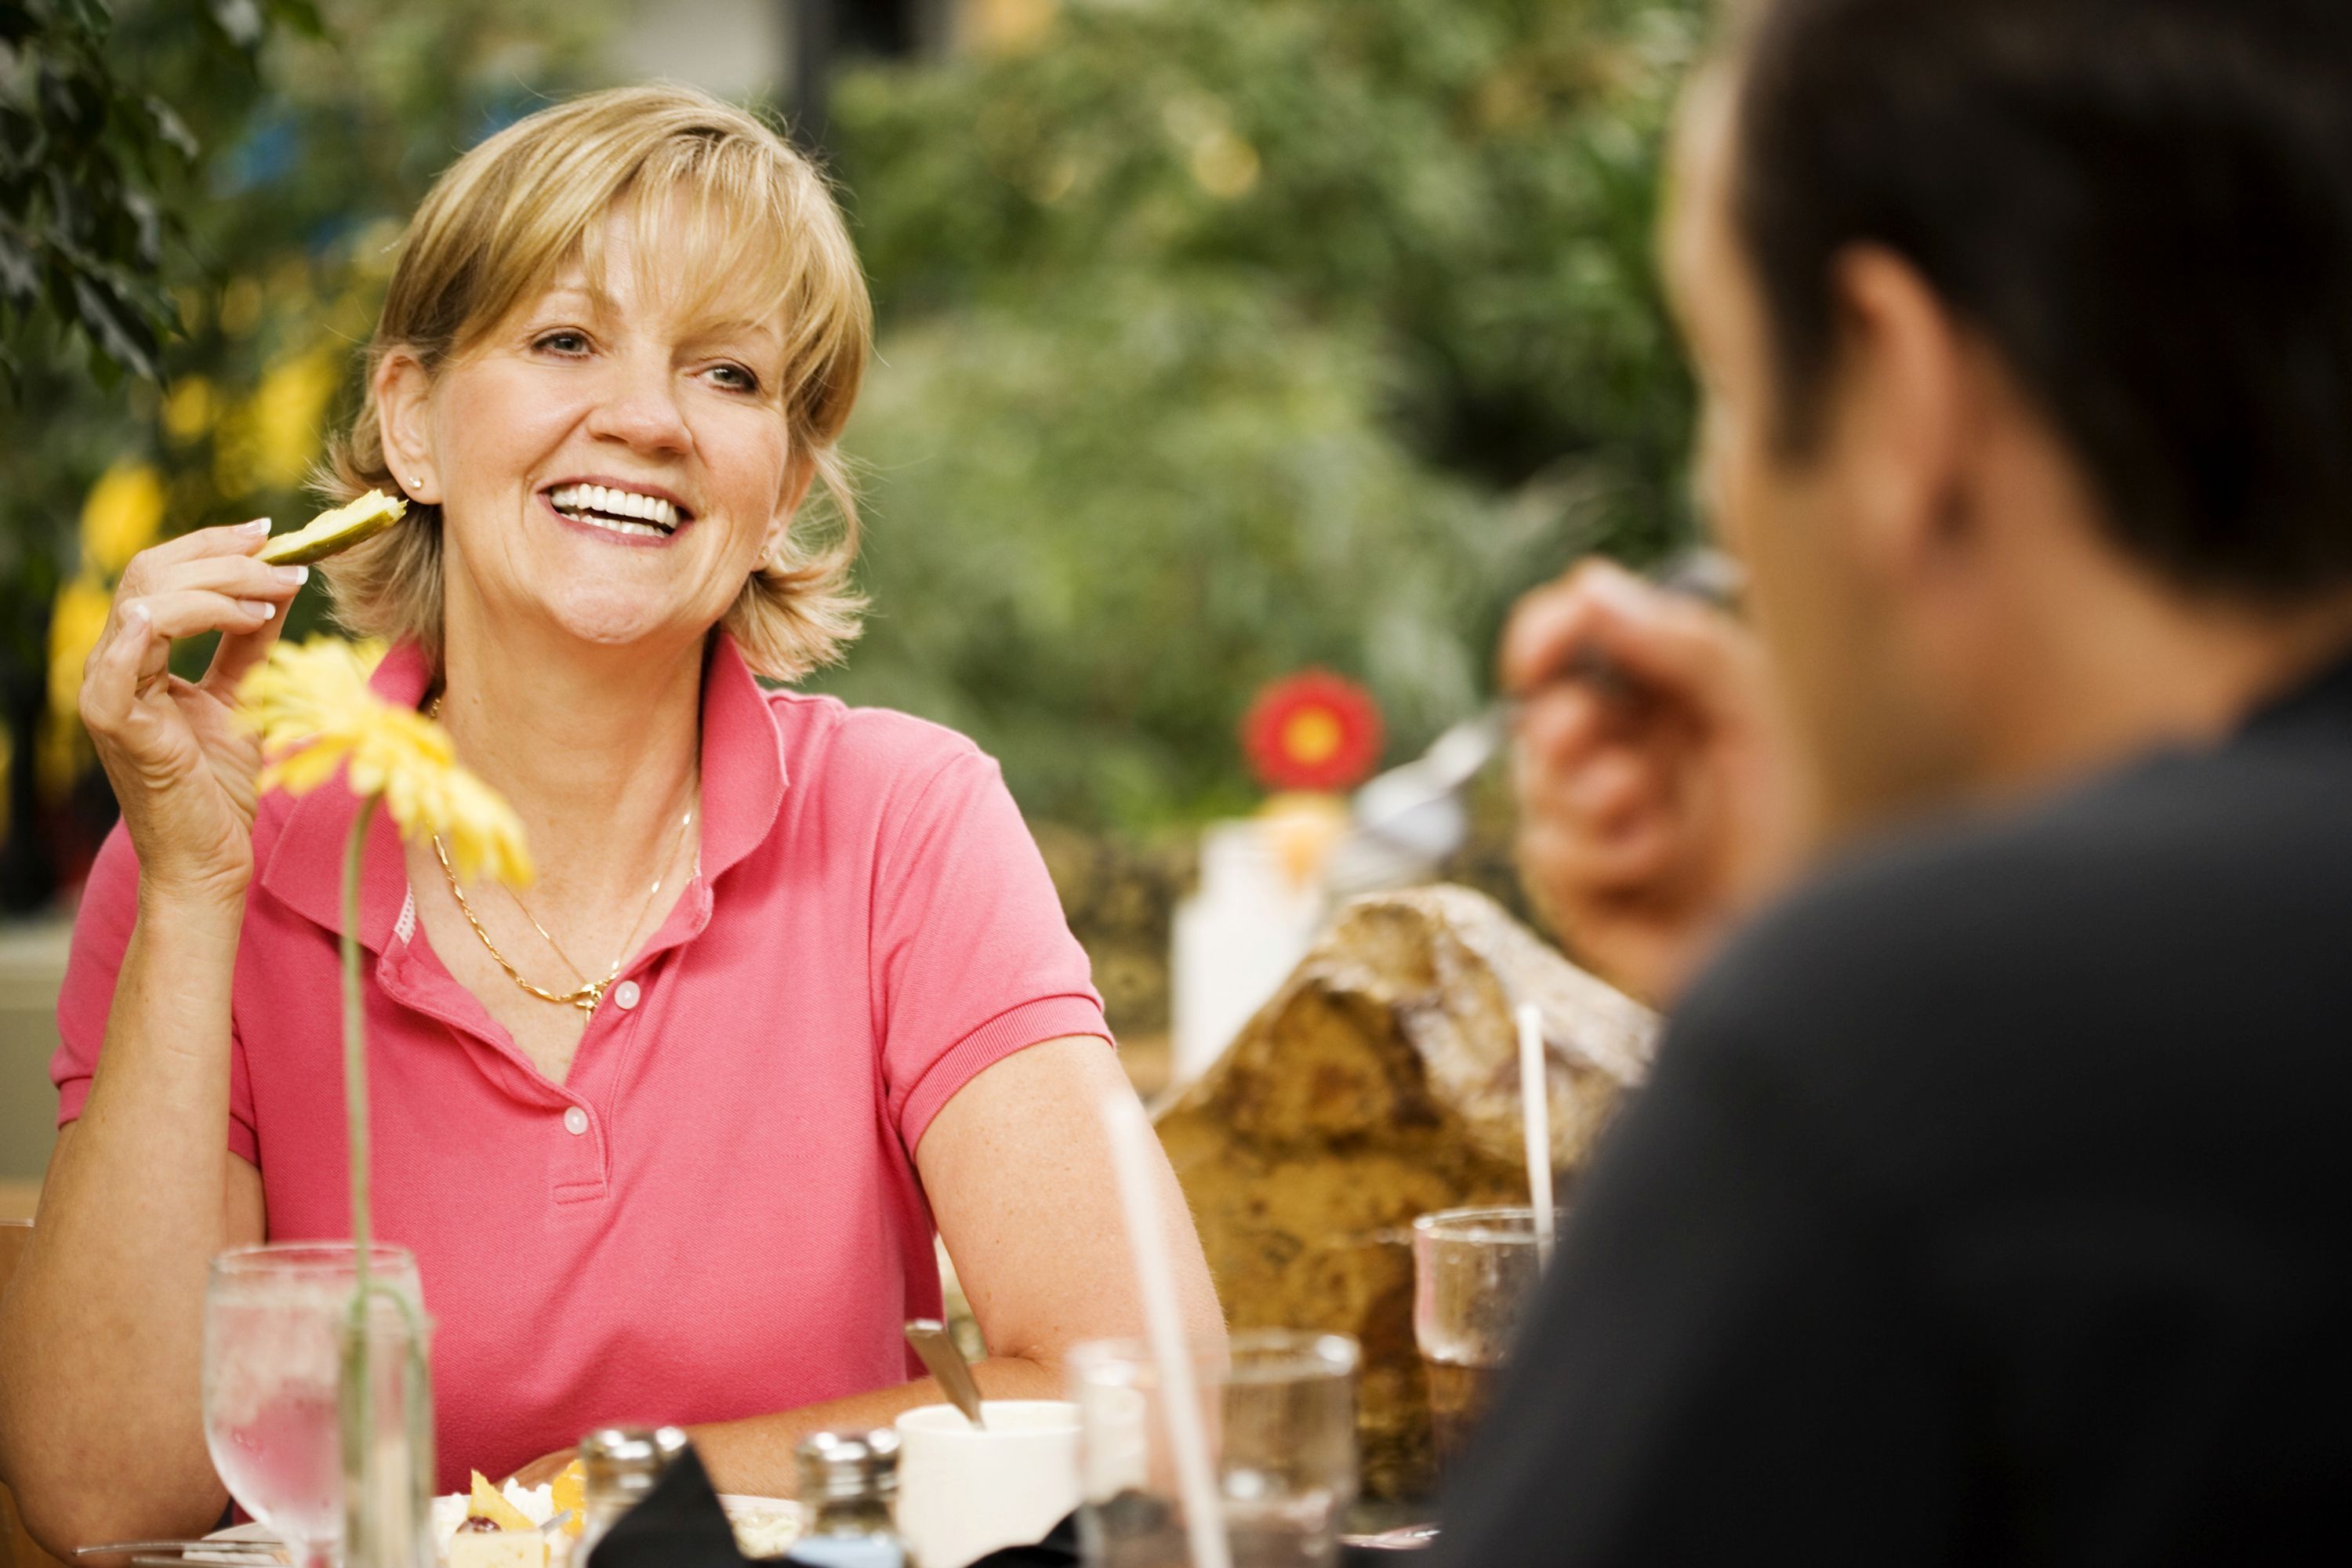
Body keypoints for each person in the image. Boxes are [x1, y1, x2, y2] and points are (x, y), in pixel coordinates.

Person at [0, 85, 1221, 1554]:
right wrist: (195, 889)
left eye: (728, 374)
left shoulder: (905, 820)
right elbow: (101, 1501)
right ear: (412, 423)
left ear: (782, 492)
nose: (646, 419)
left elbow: (1147, 1394)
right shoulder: (207, 846)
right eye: (565, 340)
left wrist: (594, 1501)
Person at [1446, 0, 2352, 1559]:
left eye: (1723, 385)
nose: (1727, 504)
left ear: (1897, 394)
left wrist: (1837, 998)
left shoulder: (1899, 1038)